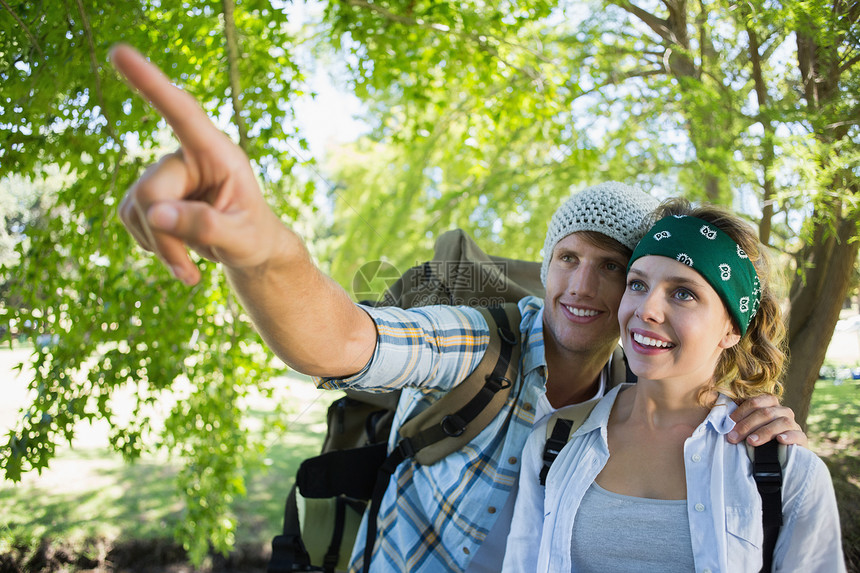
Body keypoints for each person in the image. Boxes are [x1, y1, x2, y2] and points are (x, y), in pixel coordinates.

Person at [110, 45, 808, 573]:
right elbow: (346, 338)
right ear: (545, 265)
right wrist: (262, 250)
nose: (581, 285)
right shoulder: (482, 348)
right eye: (567, 258)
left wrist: (768, 439)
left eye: (612, 269)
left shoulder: (634, 399)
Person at [503, 199, 844, 572]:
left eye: (683, 293)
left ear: (731, 328)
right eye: (637, 284)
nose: (646, 309)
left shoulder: (787, 471)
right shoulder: (555, 442)